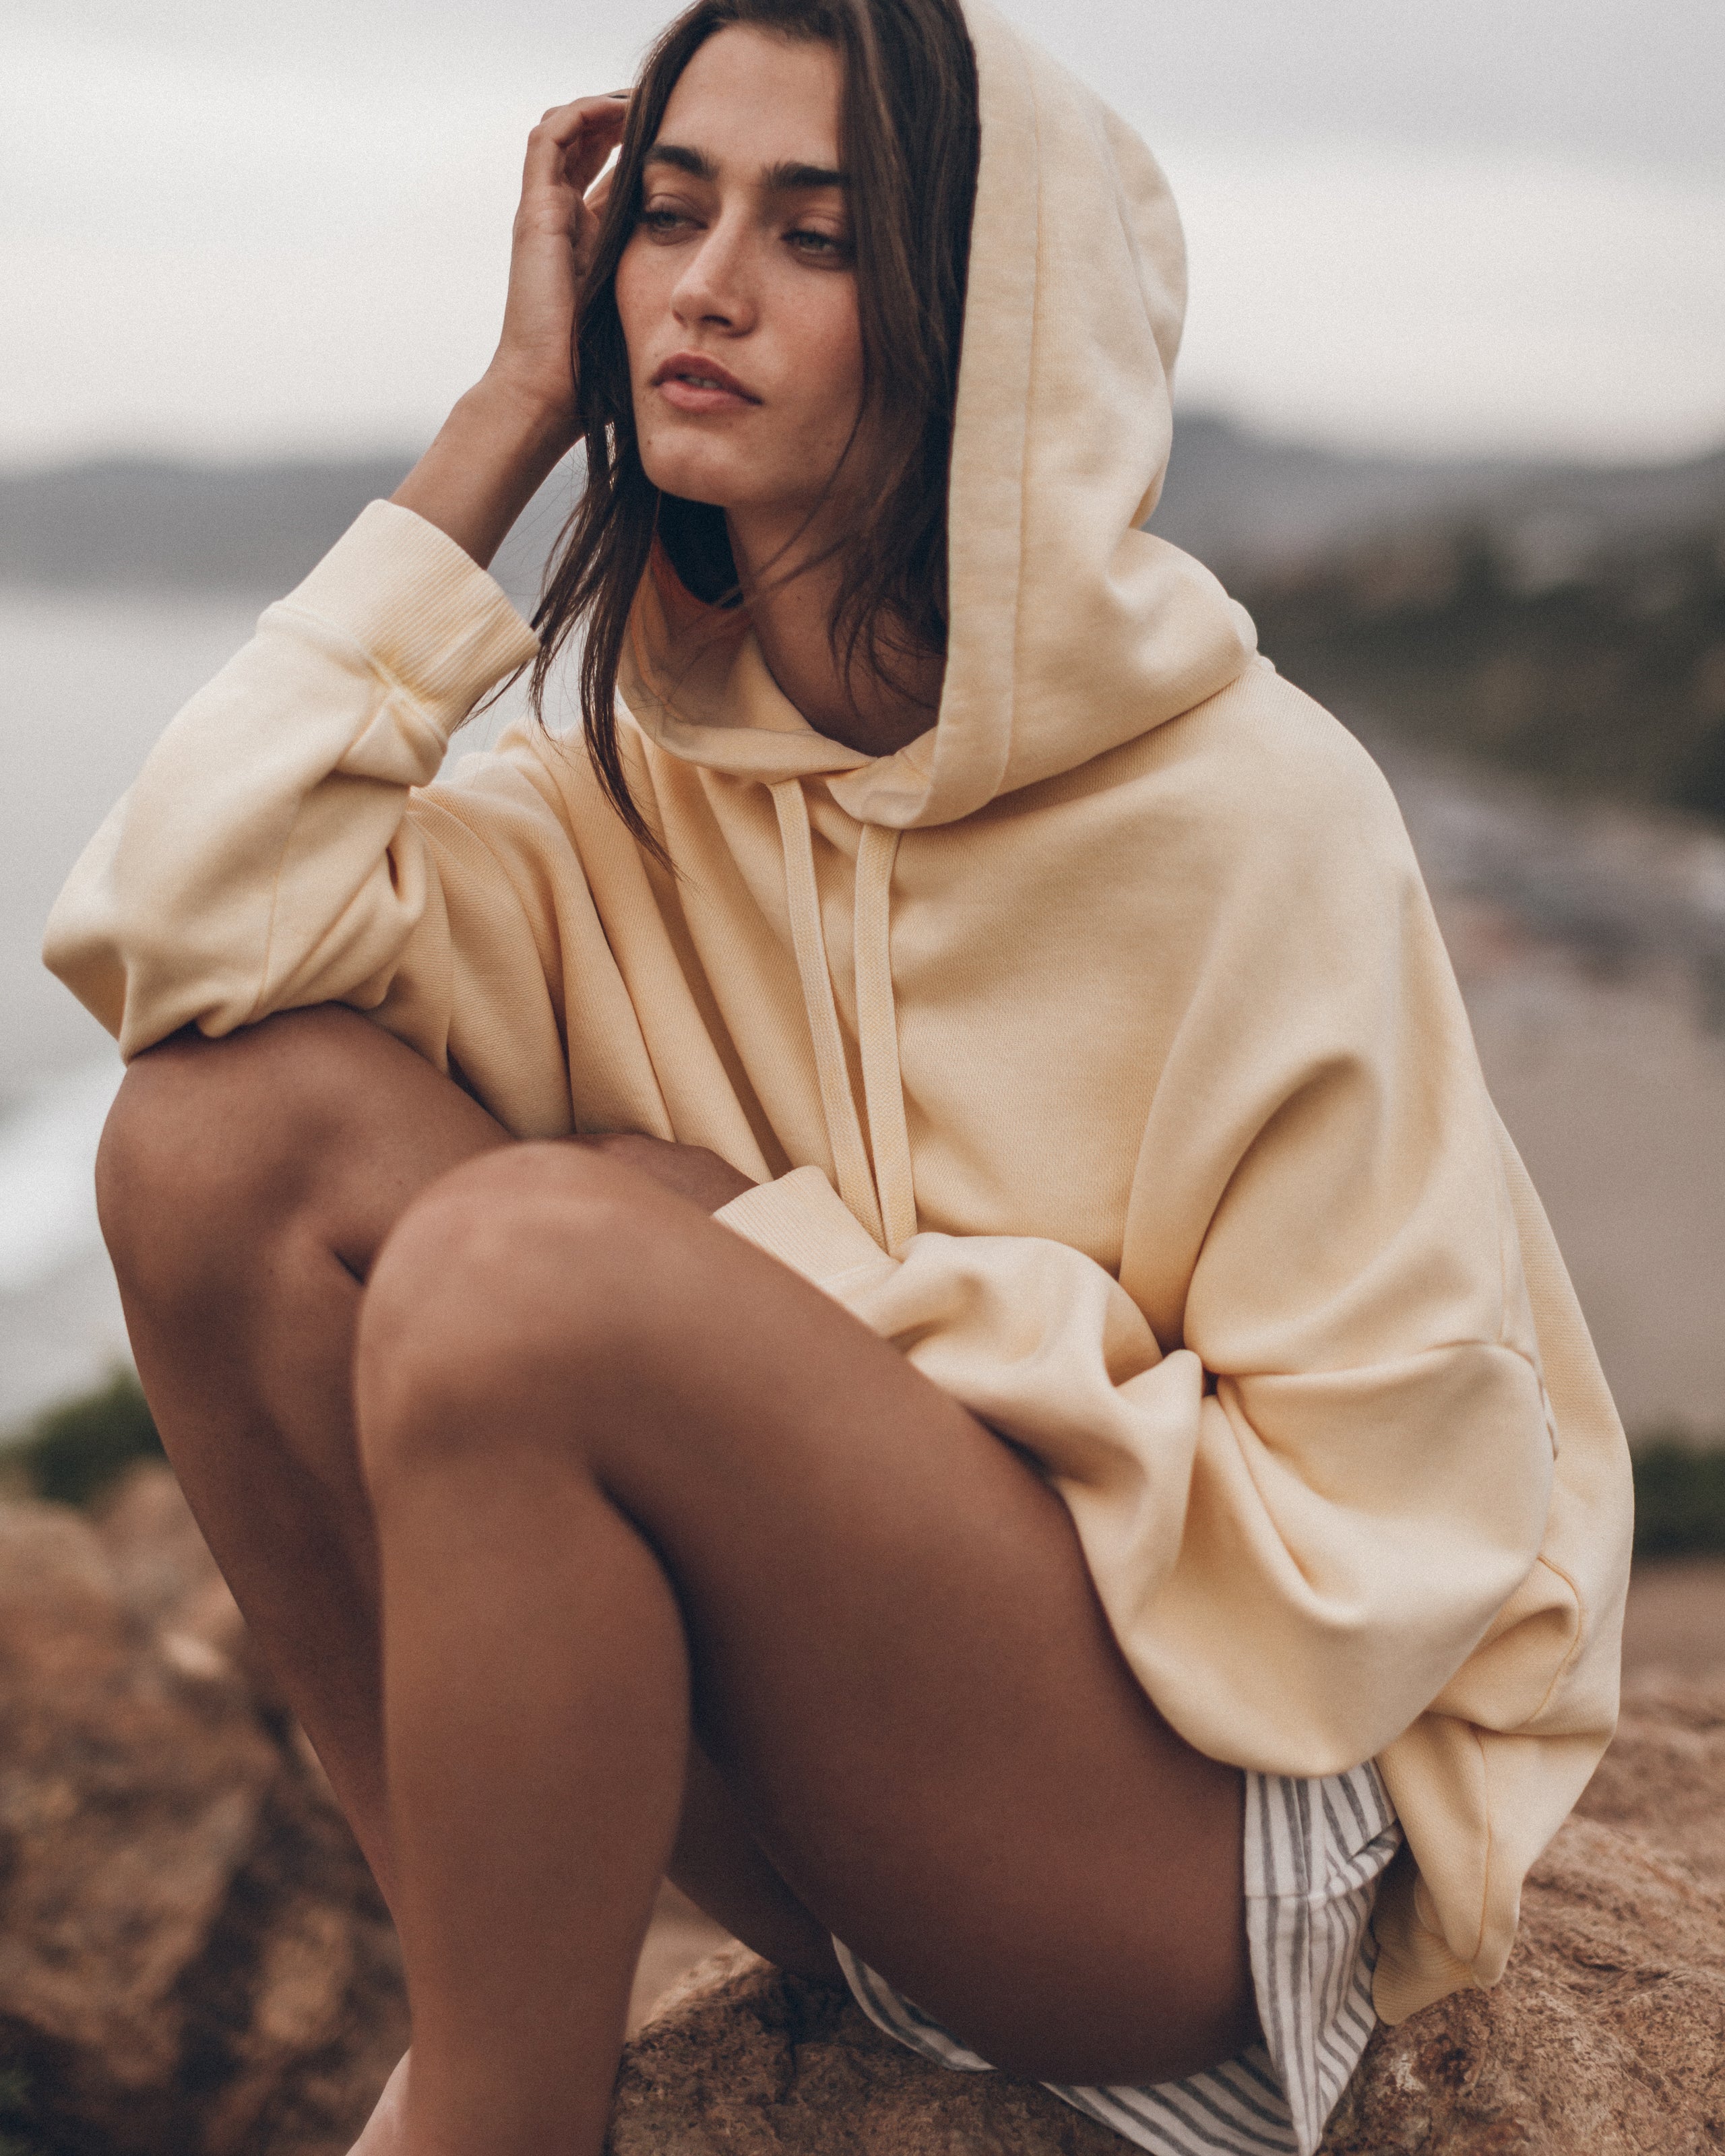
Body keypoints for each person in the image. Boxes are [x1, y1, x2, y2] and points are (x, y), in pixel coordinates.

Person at [44, 3, 1633, 2153]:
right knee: (210, 1143)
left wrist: (758, 1272)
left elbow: (1379, 1566)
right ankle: (493, 2004)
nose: (705, 287)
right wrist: (503, 420)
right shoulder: (623, 794)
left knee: (525, 1270)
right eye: (669, 215)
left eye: (815, 237)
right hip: (843, 1810)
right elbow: (164, 944)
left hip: (1191, 1862)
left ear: (989, 318)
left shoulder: (1254, 814)